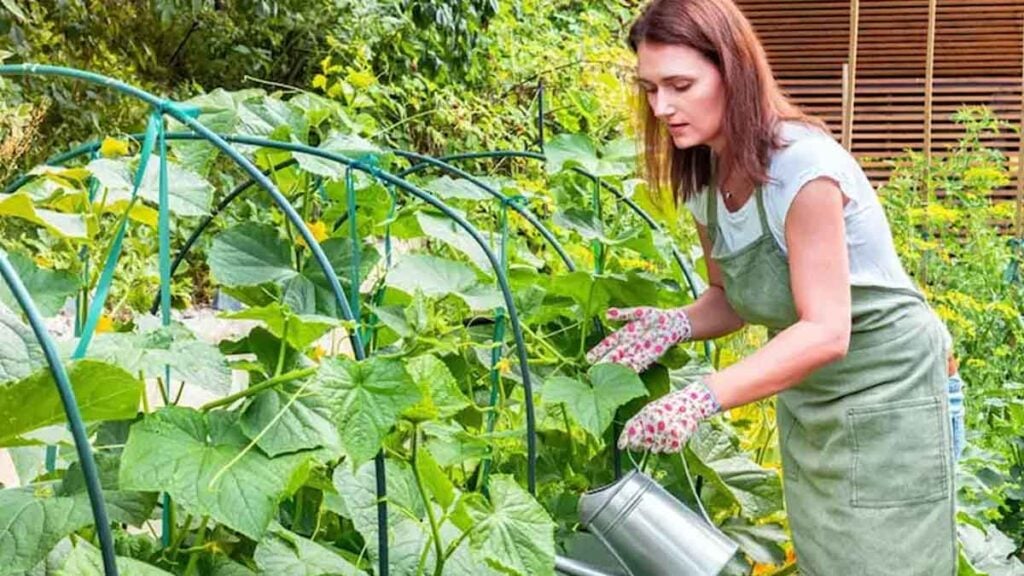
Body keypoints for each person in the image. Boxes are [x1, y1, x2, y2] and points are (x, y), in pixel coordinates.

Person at [585, 0, 957, 573]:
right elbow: (732, 299)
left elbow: (827, 330)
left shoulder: (801, 169)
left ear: (733, 71)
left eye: (681, 86)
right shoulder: (706, 177)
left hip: (891, 395)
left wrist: (700, 396)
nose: (662, 107)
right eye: (650, 89)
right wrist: (675, 323)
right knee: (826, 560)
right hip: (812, 399)